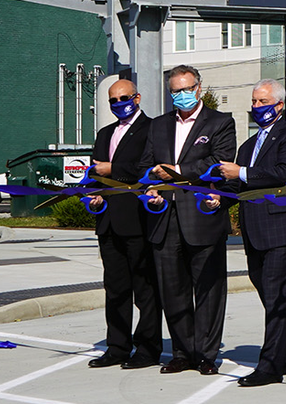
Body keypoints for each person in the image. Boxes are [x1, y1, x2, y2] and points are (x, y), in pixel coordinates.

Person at [145, 65, 236, 375]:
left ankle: (206, 354)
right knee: (173, 290)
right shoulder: (158, 125)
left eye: (186, 89)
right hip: (165, 218)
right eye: (175, 91)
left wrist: (179, 172)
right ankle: (182, 352)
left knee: (209, 289)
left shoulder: (220, 122)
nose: (181, 95)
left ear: (199, 88)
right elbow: (146, 166)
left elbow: (219, 162)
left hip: (202, 216)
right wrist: (150, 188)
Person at [225, 80, 286, 388]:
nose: (257, 107)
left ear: (279, 105)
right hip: (254, 232)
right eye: (254, 101)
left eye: (263, 101)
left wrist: (241, 172)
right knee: (271, 297)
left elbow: (284, 173)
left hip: (283, 230)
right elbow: (236, 186)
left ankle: (270, 366)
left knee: (276, 297)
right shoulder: (248, 146)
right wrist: (216, 198)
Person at [84, 80, 164, 368]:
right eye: (113, 100)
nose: (119, 104)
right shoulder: (105, 133)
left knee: (145, 289)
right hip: (108, 222)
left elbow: (148, 170)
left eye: (124, 98)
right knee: (116, 289)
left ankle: (148, 348)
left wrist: (113, 169)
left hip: (138, 220)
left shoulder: (152, 129)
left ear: (137, 98)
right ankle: (117, 346)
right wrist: (93, 194)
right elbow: (96, 175)